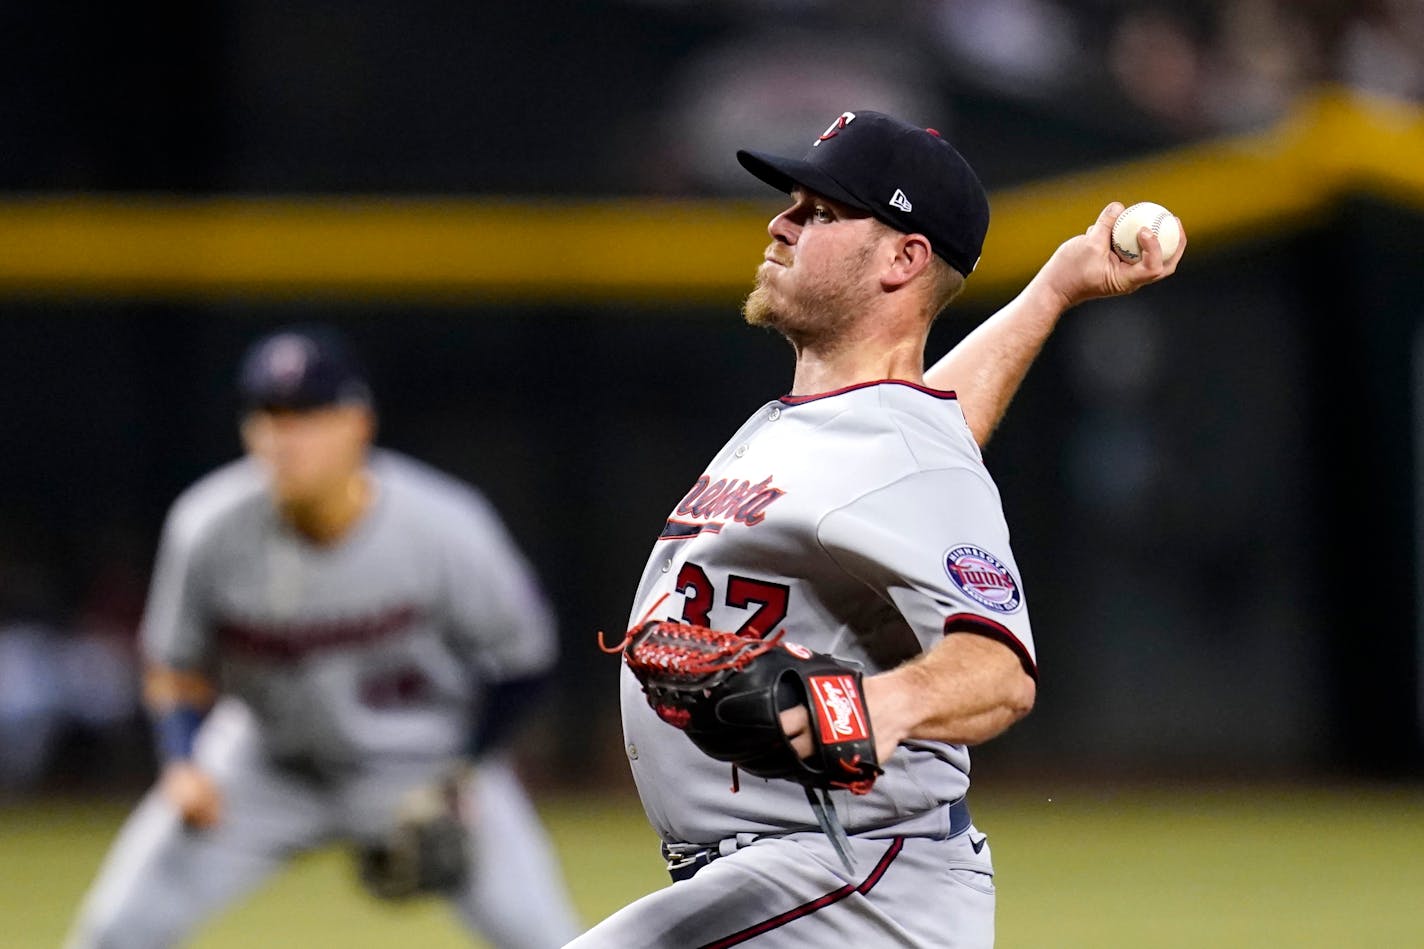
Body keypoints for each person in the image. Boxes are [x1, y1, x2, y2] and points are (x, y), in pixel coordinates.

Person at [570, 110, 1184, 947]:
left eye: (822, 212)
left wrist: (870, 704)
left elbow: (1000, 670)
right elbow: (928, 435)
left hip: (852, 883)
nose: (782, 223)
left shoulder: (903, 457)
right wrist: (1055, 289)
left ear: (905, 257)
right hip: (807, 881)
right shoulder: (869, 432)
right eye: (793, 202)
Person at [66, 326, 582, 949]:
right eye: (270, 417)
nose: (286, 439)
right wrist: (182, 761)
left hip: (419, 763)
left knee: (550, 940)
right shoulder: (208, 526)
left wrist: (463, 772)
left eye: (309, 416)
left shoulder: (444, 525)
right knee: (112, 932)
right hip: (263, 763)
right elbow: (173, 663)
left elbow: (524, 663)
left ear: (357, 422)